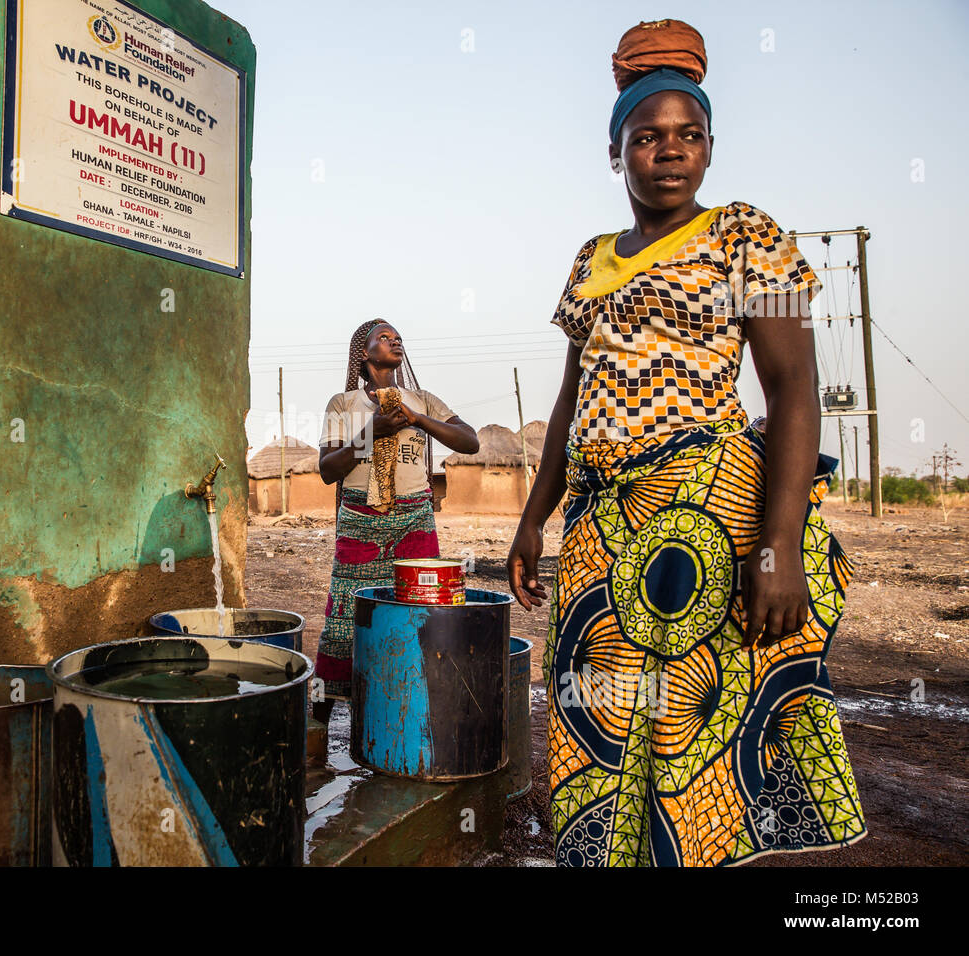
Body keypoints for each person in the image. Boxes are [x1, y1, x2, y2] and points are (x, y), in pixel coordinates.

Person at [507, 19, 866, 866]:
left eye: (689, 135)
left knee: (682, 725)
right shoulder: (590, 261)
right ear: (616, 151)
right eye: (647, 137)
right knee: (594, 703)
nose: (670, 152)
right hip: (598, 528)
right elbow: (568, 402)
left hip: (698, 517)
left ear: (708, 147)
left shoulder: (748, 237)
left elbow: (791, 389)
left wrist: (776, 545)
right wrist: (532, 518)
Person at [313, 320, 479, 722]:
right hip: (360, 518)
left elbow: (470, 441)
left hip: (414, 518)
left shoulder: (422, 400)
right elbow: (328, 469)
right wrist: (372, 432)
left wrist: (418, 421)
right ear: (363, 352)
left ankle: (412, 709)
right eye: (384, 338)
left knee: (420, 612)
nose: (395, 341)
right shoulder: (343, 404)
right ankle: (317, 722)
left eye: (398, 337)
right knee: (343, 621)